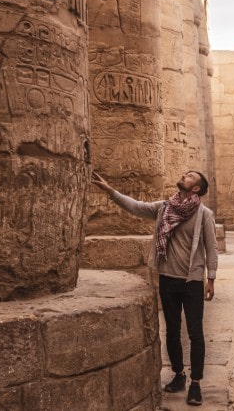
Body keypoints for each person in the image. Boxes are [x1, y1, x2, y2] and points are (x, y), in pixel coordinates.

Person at [91, 169, 218, 407]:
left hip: (192, 281)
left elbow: (211, 247)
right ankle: (179, 374)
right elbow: (136, 207)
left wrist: (210, 278)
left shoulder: (204, 214)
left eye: (190, 175)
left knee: (195, 333)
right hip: (168, 278)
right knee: (172, 331)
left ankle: (196, 383)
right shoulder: (165, 208)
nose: (185, 175)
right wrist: (110, 191)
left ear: (196, 188)